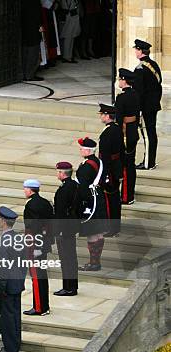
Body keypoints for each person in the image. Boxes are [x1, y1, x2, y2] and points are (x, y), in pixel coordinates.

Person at [0, 206, 26, 352]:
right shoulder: (18, 238)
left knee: (7, 318)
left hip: (7, 285)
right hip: (17, 283)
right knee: (15, 316)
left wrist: (0, 287)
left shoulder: (4, 241)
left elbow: (3, 267)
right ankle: (15, 343)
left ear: (3, 221)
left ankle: (10, 347)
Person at [22, 179, 53, 316]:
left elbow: (33, 228)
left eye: (25, 188)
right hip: (44, 243)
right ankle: (44, 305)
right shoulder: (46, 203)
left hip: (35, 244)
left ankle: (39, 307)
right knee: (42, 275)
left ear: (30, 190)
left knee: (36, 276)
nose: (24, 191)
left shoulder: (31, 206)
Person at [75, 137, 107, 271]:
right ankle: (96, 261)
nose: (80, 150)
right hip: (98, 197)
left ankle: (94, 262)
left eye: (81, 148)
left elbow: (82, 187)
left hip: (89, 200)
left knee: (92, 232)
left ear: (88, 150)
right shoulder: (98, 161)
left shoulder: (86, 167)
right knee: (98, 232)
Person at [133, 39, 162, 170]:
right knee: (151, 132)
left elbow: (138, 92)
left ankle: (148, 163)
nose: (135, 51)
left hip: (145, 106)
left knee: (147, 135)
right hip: (153, 105)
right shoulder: (154, 65)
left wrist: (137, 109)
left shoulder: (140, 69)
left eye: (136, 49)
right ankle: (151, 160)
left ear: (140, 51)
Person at [53, 162, 80, 296]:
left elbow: (60, 213)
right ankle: (72, 286)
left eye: (58, 172)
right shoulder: (74, 185)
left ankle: (68, 287)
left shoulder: (63, 191)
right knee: (71, 258)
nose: (57, 174)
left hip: (65, 229)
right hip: (72, 226)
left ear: (62, 173)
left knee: (66, 259)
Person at [98, 104, 124, 237]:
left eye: (102, 114)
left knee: (110, 199)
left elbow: (106, 155)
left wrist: (104, 173)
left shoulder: (108, 132)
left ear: (107, 116)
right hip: (116, 167)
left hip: (109, 170)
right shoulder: (117, 129)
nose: (101, 116)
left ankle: (111, 228)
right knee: (114, 199)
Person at [115, 68, 140, 205]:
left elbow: (119, 119)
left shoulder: (122, 97)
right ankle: (130, 192)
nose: (119, 81)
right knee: (130, 164)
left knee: (125, 166)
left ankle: (126, 196)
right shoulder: (136, 94)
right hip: (133, 132)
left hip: (124, 134)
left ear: (124, 81)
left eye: (120, 79)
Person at [21, 0, 44, 81]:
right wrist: (40, 25)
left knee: (25, 52)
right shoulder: (34, 2)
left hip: (24, 28)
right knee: (33, 52)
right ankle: (29, 74)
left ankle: (24, 74)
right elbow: (36, 13)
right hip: (33, 29)